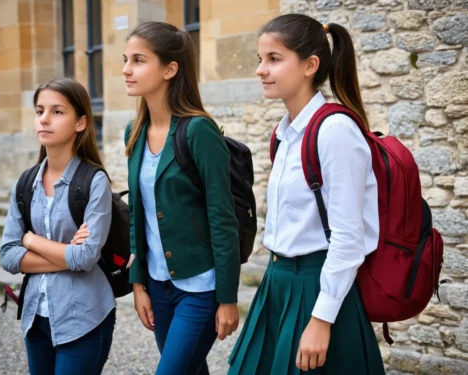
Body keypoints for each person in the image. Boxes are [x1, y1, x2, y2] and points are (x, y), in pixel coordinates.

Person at [228, 14, 385, 374]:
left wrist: (322, 319)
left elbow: (349, 236)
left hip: (316, 287)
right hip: (277, 283)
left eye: (274, 59)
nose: (260, 70)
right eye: (259, 60)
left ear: (310, 65)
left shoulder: (336, 132)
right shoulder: (286, 133)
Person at [122, 21, 241, 375]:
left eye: (139, 60)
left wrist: (228, 298)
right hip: (158, 286)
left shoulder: (198, 130)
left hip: (200, 287)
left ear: (170, 69)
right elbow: (137, 214)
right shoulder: (134, 132)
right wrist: (138, 283)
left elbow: (223, 218)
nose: (126, 70)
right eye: (126, 59)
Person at [0, 78, 116, 375]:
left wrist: (29, 240)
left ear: (80, 123)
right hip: (35, 316)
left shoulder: (94, 181)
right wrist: (66, 254)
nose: (45, 119)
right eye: (40, 111)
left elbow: (86, 257)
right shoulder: (26, 183)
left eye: (57, 111)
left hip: (84, 316)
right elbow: (8, 256)